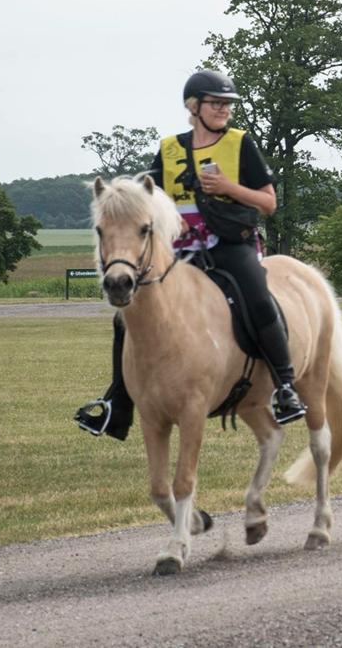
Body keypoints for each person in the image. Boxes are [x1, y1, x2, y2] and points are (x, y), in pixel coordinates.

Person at [75, 69, 307, 439]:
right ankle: (117, 403)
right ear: (193, 106)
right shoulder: (169, 149)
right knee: (128, 314)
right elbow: (145, 203)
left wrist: (228, 186)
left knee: (258, 298)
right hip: (181, 253)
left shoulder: (240, 143)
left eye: (228, 104)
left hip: (232, 246)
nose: (224, 110)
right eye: (216, 103)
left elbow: (269, 202)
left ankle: (285, 387)